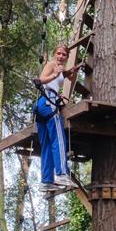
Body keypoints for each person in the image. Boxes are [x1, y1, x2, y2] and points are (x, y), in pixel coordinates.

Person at [36, 45, 81, 190]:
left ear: (67, 57)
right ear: (54, 54)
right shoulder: (51, 65)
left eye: (64, 55)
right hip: (48, 103)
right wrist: (55, 75)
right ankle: (61, 174)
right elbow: (41, 80)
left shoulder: (61, 70)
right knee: (58, 140)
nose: (61, 56)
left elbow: (62, 79)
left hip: (43, 104)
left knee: (47, 145)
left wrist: (69, 73)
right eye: (59, 54)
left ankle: (46, 181)